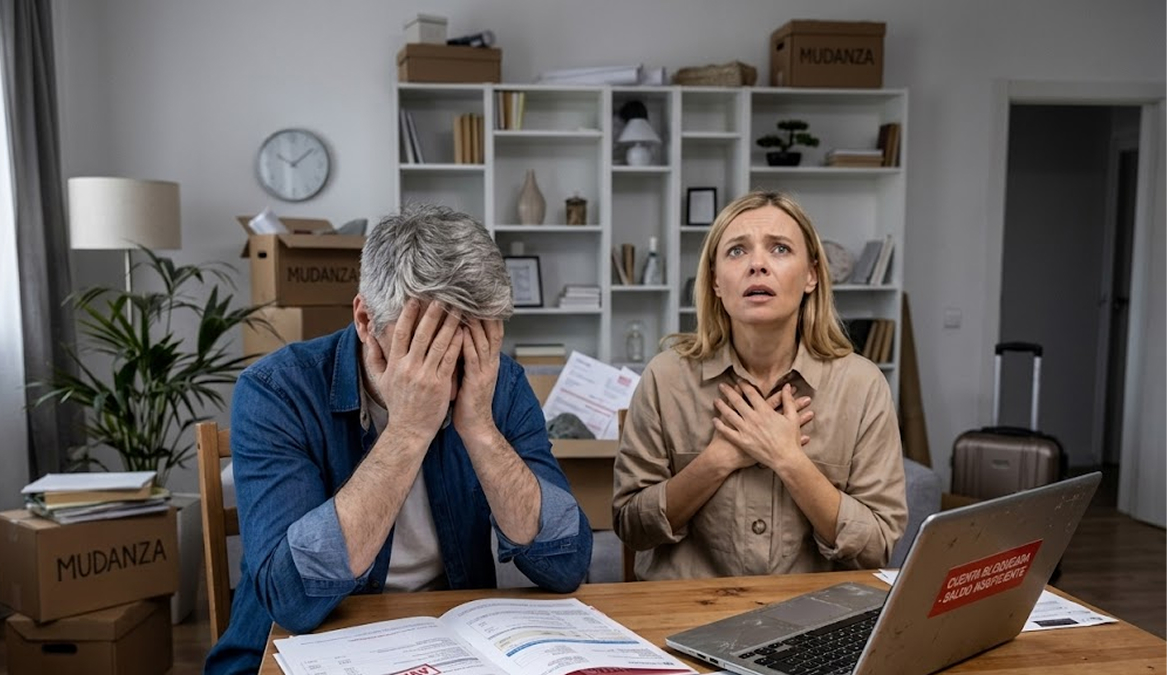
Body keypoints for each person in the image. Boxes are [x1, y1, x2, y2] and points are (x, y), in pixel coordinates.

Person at [206, 205, 593, 673]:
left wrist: (480, 428)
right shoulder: (277, 391)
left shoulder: (499, 381)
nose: (449, 372)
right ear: (365, 320)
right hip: (293, 651)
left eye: (471, 344)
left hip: (449, 649)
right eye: (428, 345)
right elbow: (290, 598)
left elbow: (566, 564)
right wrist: (407, 431)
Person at [612, 190, 906, 581]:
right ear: (715, 281)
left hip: (814, 609)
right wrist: (718, 460)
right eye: (737, 251)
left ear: (811, 275)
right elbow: (631, 526)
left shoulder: (863, 386)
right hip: (686, 608)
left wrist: (788, 460)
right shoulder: (665, 378)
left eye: (780, 249)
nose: (757, 265)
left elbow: (877, 546)